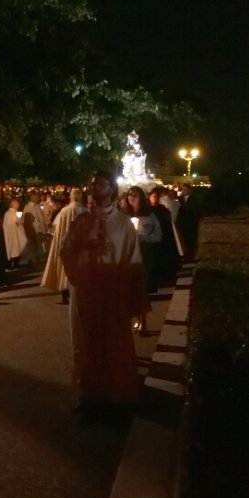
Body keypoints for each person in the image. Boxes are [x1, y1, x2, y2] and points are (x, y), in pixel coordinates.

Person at [60, 171, 150, 428]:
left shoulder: (123, 224)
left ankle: (117, 396)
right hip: (87, 292)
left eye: (101, 183)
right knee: (86, 343)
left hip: (114, 294)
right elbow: (66, 251)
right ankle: (89, 395)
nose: (95, 187)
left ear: (111, 189)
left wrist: (134, 298)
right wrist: (86, 252)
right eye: (92, 184)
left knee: (115, 344)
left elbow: (133, 261)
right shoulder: (80, 221)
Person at [125, 186, 162, 333]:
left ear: (141, 197)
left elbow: (158, 236)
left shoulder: (149, 216)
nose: (131, 198)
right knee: (130, 288)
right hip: (127, 256)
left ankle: (143, 319)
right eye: (129, 195)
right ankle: (135, 318)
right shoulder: (124, 216)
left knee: (141, 288)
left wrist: (144, 238)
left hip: (144, 255)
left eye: (134, 195)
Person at [40, 188, 85, 305]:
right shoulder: (84, 211)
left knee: (65, 268)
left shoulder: (65, 211)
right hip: (79, 246)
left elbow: (59, 230)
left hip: (67, 244)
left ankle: (65, 294)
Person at [148, 187, 182, 288]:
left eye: (156, 197)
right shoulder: (150, 209)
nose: (154, 199)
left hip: (163, 238)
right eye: (152, 197)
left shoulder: (161, 209)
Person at [2, 198, 28, 269]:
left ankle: (15, 263)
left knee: (17, 249)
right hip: (11, 235)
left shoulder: (12, 213)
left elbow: (19, 222)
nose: (18, 205)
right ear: (13, 205)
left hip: (16, 234)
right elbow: (14, 222)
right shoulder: (9, 213)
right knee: (13, 249)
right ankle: (11, 264)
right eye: (16, 204)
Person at [23, 194, 48, 261]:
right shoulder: (27, 207)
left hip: (39, 228)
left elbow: (41, 217)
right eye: (36, 197)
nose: (38, 199)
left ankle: (39, 256)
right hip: (33, 228)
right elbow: (26, 218)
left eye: (37, 197)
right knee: (34, 243)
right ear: (32, 198)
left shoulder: (37, 206)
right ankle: (33, 258)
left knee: (39, 242)